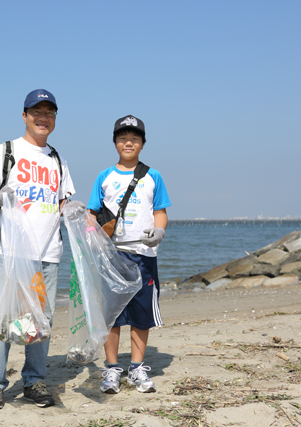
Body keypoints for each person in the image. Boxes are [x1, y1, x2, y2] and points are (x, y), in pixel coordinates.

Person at [0, 89, 76, 410]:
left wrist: (74, 212)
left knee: (40, 322)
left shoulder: (57, 159)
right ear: (24, 116)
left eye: (49, 113)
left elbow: (61, 202)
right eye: (37, 112)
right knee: (3, 320)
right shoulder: (6, 151)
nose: (42, 118)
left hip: (47, 255)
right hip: (11, 255)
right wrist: (0, 197)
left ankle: (34, 381)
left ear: (54, 119)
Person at [87, 115, 171, 394]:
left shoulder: (153, 176)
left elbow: (160, 212)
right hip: (111, 256)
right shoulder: (104, 177)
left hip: (144, 255)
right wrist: (89, 235)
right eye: (123, 138)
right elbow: (92, 213)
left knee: (141, 314)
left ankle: (137, 367)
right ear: (115, 143)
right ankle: (112, 369)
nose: (128, 143)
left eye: (134, 138)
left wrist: (159, 231)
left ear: (142, 144)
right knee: (111, 315)